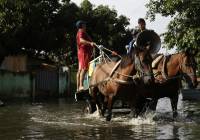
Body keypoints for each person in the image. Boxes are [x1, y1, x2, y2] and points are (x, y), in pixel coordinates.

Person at [76, 20, 95, 91]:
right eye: (84, 24)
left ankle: (78, 88)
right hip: (84, 52)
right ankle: (81, 86)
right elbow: (81, 40)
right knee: (84, 68)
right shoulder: (81, 31)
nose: (85, 25)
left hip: (82, 52)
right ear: (81, 25)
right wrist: (90, 43)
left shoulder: (80, 32)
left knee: (80, 70)